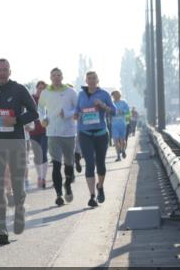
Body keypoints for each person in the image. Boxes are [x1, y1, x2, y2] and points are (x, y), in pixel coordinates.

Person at [0, 59, 38, 244]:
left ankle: (19, 210)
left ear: (10, 71)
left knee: (17, 184)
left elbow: (34, 112)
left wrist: (16, 120)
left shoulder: (18, 89)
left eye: (4, 69)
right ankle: (1, 227)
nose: (1, 72)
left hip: (16, 143)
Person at [37, 68, 78, 206]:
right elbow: (40, 108)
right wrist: (43, 118)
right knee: (56, 163)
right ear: (50, 77)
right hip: (52, 132)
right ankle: (59, 195)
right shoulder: (45, 92)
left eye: (58, 75)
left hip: (68, 132)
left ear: (62, 76)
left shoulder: (70, 92)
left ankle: (68, 185)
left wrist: (67, 113)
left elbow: (78, 109)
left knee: (68, 163)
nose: (56, 77)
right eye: (53, 75)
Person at [77, 72, 116, 208]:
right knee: (89, 163)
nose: (92, 81)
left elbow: (114, 111)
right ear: (86, 81)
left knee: (100, 163)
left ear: (98, 80)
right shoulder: (81, 94)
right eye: (89, 79)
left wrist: (103, 106)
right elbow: (76, 112)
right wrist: (77, 114)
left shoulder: (104, 94)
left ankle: (100, 187)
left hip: (100, 133)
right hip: (85, 133)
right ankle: (92, 196)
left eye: (94, 78)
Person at [28, 80, 48, 189]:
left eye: (43, 89)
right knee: (37, 156)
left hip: (45, 131)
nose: (41, 90)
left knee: (43, 153)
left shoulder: (48, 99)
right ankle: (39, 176)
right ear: (36, 88)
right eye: (40, 88)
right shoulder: (31, 99)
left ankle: (43, 178)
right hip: (33, 131)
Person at [110, 90, 131, 160]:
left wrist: (127, 122)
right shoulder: (111, 103)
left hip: (123, 123)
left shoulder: (123, 102)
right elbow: (109, 112)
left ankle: (123, 150)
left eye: (116, 94)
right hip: (114, 124)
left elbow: (128, 112)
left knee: (122, 140)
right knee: (115, 140)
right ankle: (118, 156)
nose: (115, 96)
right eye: (113, 95)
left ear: (119, 95)